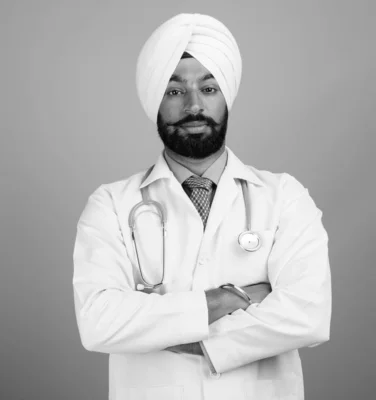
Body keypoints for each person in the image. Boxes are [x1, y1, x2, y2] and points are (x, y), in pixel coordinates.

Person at [72, 13, 331, 400]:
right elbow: (99, 323)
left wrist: (177, 331)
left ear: (226, 96)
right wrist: (226, 299)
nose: (194, 106)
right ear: (154, 100)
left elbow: (308, 316)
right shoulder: (111, 204)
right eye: (175, 91)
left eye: (209, 89)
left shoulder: (284, 197)